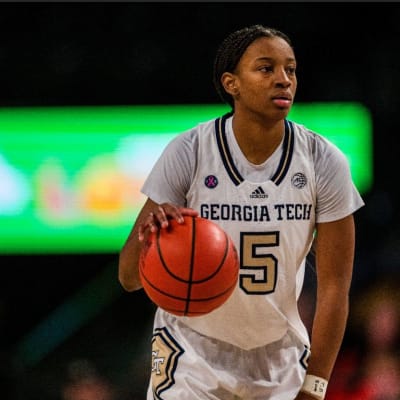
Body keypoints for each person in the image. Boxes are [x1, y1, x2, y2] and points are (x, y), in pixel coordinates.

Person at [118, 24, 365, 400]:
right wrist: (150, 239)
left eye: (291, 69)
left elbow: (335, 289)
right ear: (231, 83)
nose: (283, 80)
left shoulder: (323, 160)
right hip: (190, 351)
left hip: (279, 354)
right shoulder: (190, 151)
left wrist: (315, 387)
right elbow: (129, 277)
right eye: (266, 69)